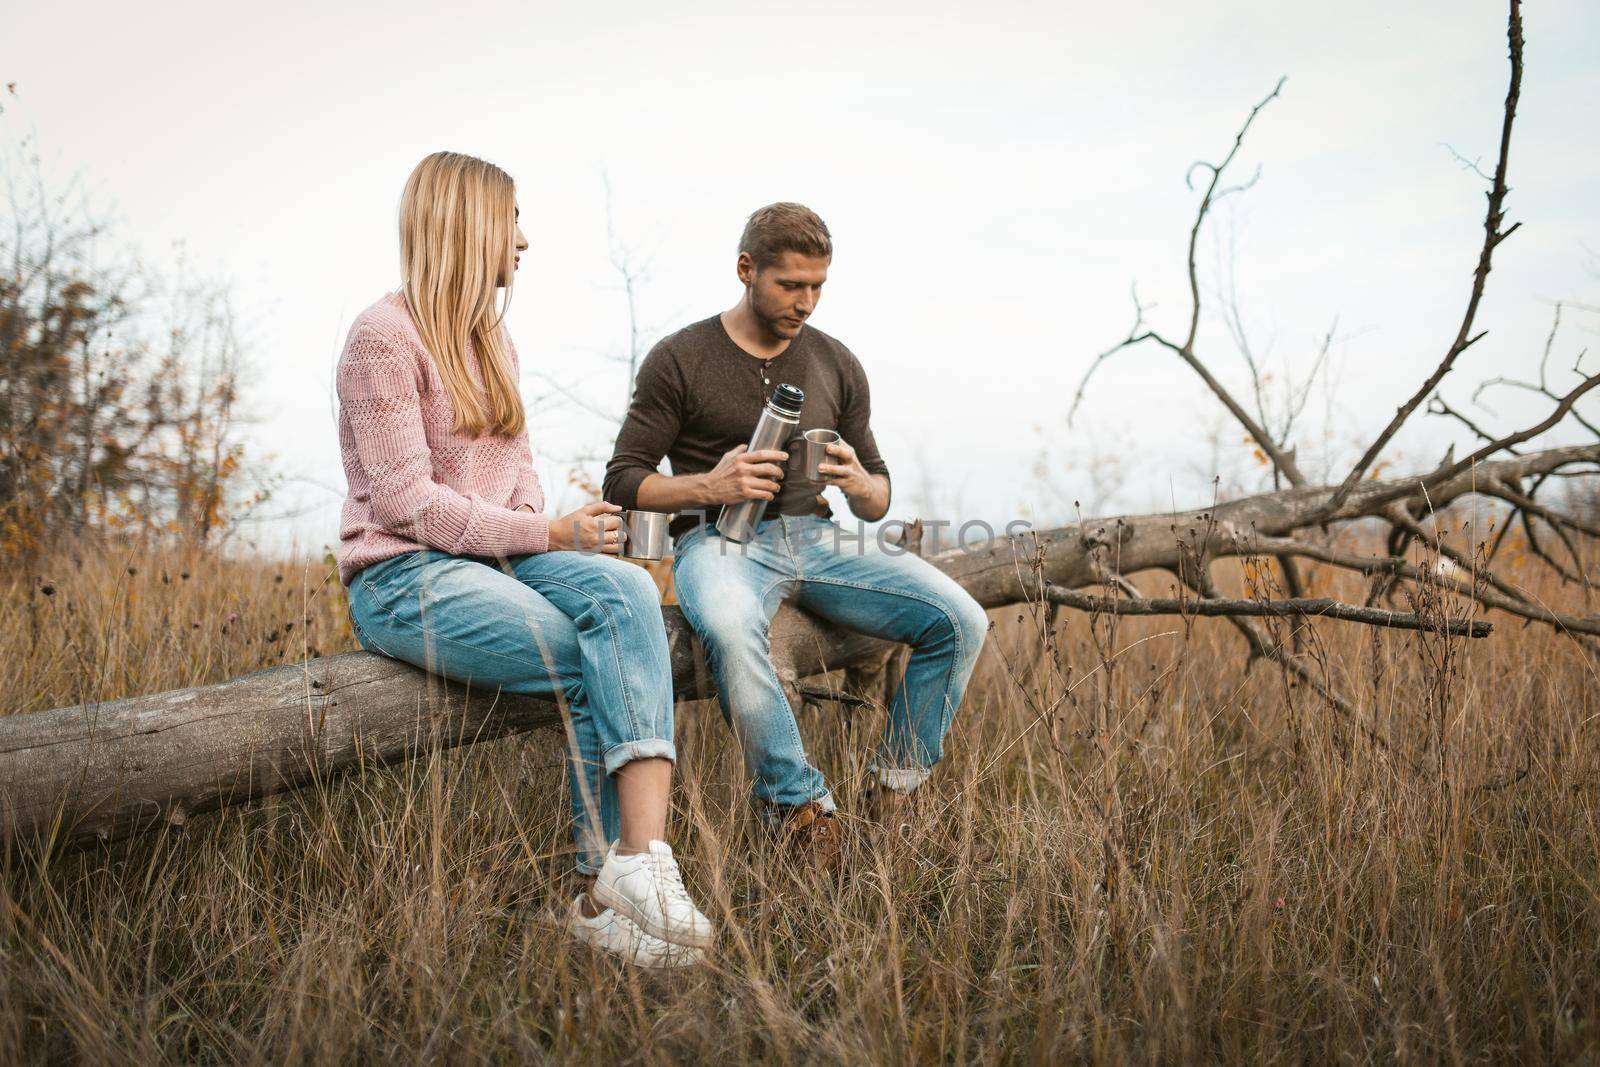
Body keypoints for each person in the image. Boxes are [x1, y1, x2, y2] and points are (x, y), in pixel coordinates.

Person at [336, 150, 711, 967]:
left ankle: (640, 864)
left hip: (497, 559)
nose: (525, 241)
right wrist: (548, 536)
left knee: (626, 593)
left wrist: (555, 531)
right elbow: (407, 503)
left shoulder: (491, 336)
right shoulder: (382, 337)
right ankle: (599, 885)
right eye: (513, 221)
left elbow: (519, 471)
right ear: (470, 226)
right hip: (404, 576)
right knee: (578, 651)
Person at [602, 203, 990, 868]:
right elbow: (623, 479)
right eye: (790, 285)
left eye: (818, 286)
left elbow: (879, 494)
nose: (805, 301)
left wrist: (857, 481)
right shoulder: (680, 358)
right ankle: (802, 812)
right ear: (746, 269)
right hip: (717, 542)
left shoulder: (836, 361)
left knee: (961, 619)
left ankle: (895, 796)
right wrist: (711, 484)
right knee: (727, 625)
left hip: (819, 537)